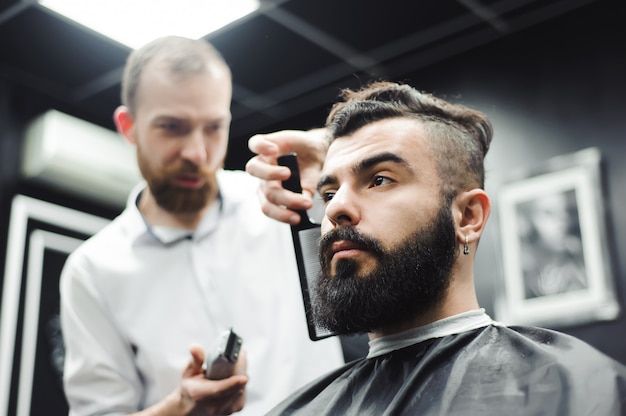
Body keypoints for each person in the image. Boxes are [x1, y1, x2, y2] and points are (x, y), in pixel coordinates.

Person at [246, 81, 626, 415]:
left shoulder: (579, 391)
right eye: (328, 192)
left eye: (378, 179)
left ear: (467, 217)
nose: (335, 208)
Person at [59, 36, 344, 416]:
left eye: (213, 127)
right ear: (129, 127)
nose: (197, 152)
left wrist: (334, 153)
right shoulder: (92, 269)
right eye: (172, 127)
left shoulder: (283, 202)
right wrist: (180, 407)